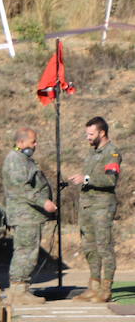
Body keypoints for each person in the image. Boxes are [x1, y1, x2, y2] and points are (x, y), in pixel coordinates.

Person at [67, 117, 121, 302]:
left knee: (104, 247)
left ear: (102, 132)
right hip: (88, 207)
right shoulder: (93, 153)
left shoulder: (111, 152)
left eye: (91, 134)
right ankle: (94, 286)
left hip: (102, 207)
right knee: (89, 247)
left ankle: (106, 288)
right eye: (87, 134)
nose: (88, 137)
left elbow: (110, 179)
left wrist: (87, 179)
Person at [3, 128, 56, 305]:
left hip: (29, 215)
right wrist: (44, 202)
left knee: (26, 250)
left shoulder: (23, 159)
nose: (35, 145)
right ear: (21, 142)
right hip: (24, 215)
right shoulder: (15, 160)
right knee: (26, 251)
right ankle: (19, 291)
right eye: (32, 141)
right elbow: (21, 189)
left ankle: (19, 290)